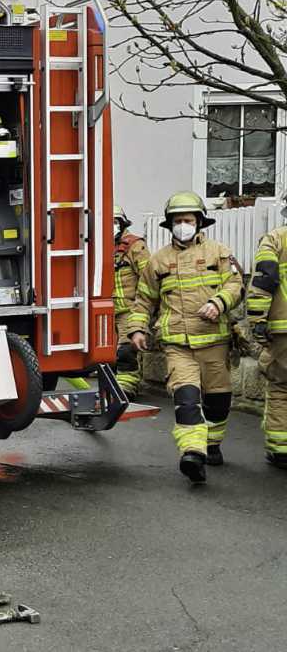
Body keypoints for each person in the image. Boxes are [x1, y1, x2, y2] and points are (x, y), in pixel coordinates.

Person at [126, 191, 243, 483]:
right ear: (170, 223)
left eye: (188, 219)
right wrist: (138, 328)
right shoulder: (158, 261)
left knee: (218, 400)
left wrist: (218, 303)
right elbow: (143, 301)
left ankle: (212, 443)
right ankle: (193, 453)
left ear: (199, 221)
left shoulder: (219, 252)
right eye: (178, 220)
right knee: (186, 399)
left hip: (215, 342)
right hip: (178, 344)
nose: (183, 225)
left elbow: (235, 285)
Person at [245, 199, 287, 470]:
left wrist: (258, 321)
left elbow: (264, 280)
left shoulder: (276, 239)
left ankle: (281, 449)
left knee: (282, 387)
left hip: (284, 330)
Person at [112, 205, 149, 397]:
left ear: (122, 223)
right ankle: (112, 387)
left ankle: (126, 389)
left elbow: (148, 277)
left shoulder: (135, 247)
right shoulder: (98, 248)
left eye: (115, 222)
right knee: (108, 354)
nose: (111, 226)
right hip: (106, 311)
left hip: (129, 308)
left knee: (126, 351)